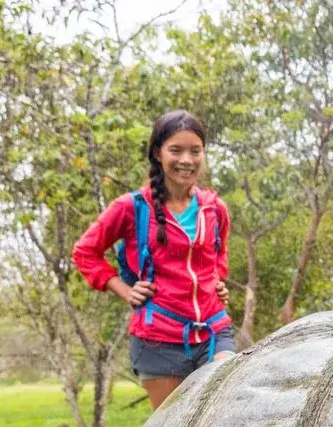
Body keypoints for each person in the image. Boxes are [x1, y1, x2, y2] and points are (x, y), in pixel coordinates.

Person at [73, 110, 234, 410]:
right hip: (159, 338)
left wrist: (215, 281)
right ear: (158, 153)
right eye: (176, 150)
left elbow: (218, 252)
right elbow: (85, 252)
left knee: (223, 413)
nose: (186, 160)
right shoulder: (130, 207)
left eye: (195, 151)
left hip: (213, 331)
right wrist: (125, 290)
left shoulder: (214, 208)